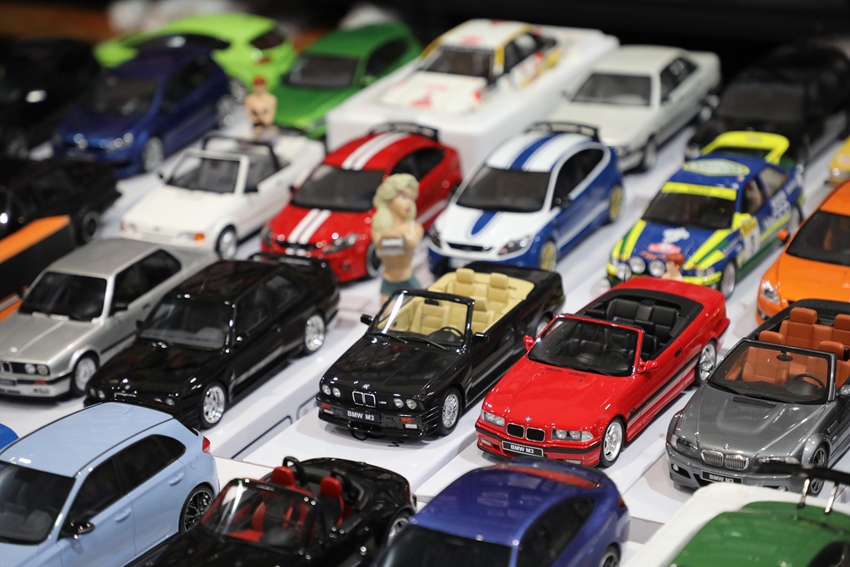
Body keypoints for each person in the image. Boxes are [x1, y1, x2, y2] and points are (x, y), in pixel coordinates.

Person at [371, 174, 423, 304]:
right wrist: (385, 235)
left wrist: (402, 236)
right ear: (389, 200)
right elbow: (378, 243)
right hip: (388, 282)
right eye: (402, 197)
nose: (408, 202)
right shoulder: (379, 227)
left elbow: (412, 244)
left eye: (410, 198)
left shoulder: (414, 227)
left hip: (408, 281)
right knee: (387, 315)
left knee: (415, 313)